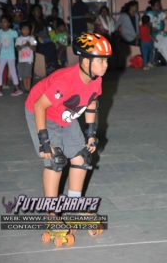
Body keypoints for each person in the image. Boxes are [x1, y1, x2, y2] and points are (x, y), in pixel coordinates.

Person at [25, 33, 112, 206]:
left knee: (82, 157)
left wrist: (91, 133)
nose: (105, 65)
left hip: (66, 115)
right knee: (55, 160)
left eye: (106, 60)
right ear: (86, 61)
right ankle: (52, 214)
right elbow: (39, 106)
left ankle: (74, 204)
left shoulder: (96, 79)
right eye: (101, 60)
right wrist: (44, 141)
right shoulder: (65, 82)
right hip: (44, 113)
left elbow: (92, 101)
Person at [0, 15, 22, 97]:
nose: (2, 23)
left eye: (4, 22)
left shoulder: (13, 32)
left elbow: (18, 39)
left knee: (13, 71)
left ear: (8, 23)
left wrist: (18, 46)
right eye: (1, 22)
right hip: (2, 56)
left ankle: (17, 89)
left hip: (11, 55)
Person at [29, 4, 59, 75]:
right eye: (37, 10)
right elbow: (29, 34)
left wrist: (49, 33)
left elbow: (49, 30)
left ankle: (53, 65)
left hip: (46, 40)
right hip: (36, 41)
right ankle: (48, 65)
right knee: (46, 47)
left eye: (39, 10)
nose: (39, 11)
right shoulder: (31, 22)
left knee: (52, 45)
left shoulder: (43, 21)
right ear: (33, 12)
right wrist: (39, 35)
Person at [15, 22, 37, 93]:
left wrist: (29, 45)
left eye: (27, 29)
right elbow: (17, 48)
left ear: (30, 30)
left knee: (28, 75)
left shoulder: (32, 38)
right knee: (23, 75)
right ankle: (26, 88)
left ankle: (28, 88)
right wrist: (23, 45)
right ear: (21, 30)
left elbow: (34, 48)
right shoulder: (18, 39)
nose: (26, 31)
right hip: (21, 60)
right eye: (24, 29)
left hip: (29, 60)